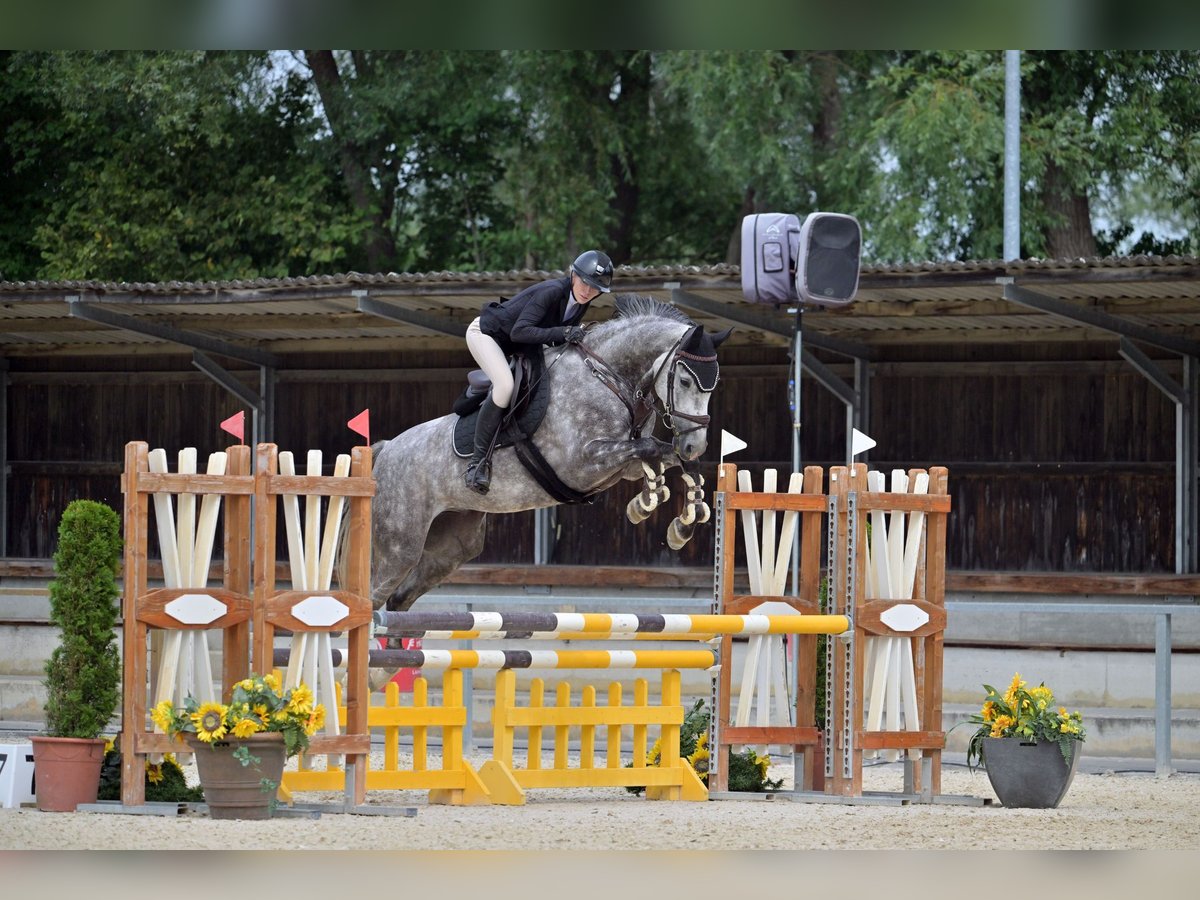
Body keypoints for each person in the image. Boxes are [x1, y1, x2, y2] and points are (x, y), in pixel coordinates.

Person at [463, 249, 613, 493]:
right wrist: (564, 333)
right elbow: (519, 331)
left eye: (595, 288)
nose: (587, 291)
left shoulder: (579, 305)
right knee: (505, 386)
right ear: (574, 275)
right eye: (585, 282)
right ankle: (477, 464)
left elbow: (550, 338)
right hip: (487, 335)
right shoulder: (552, 292)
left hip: (518, 346)